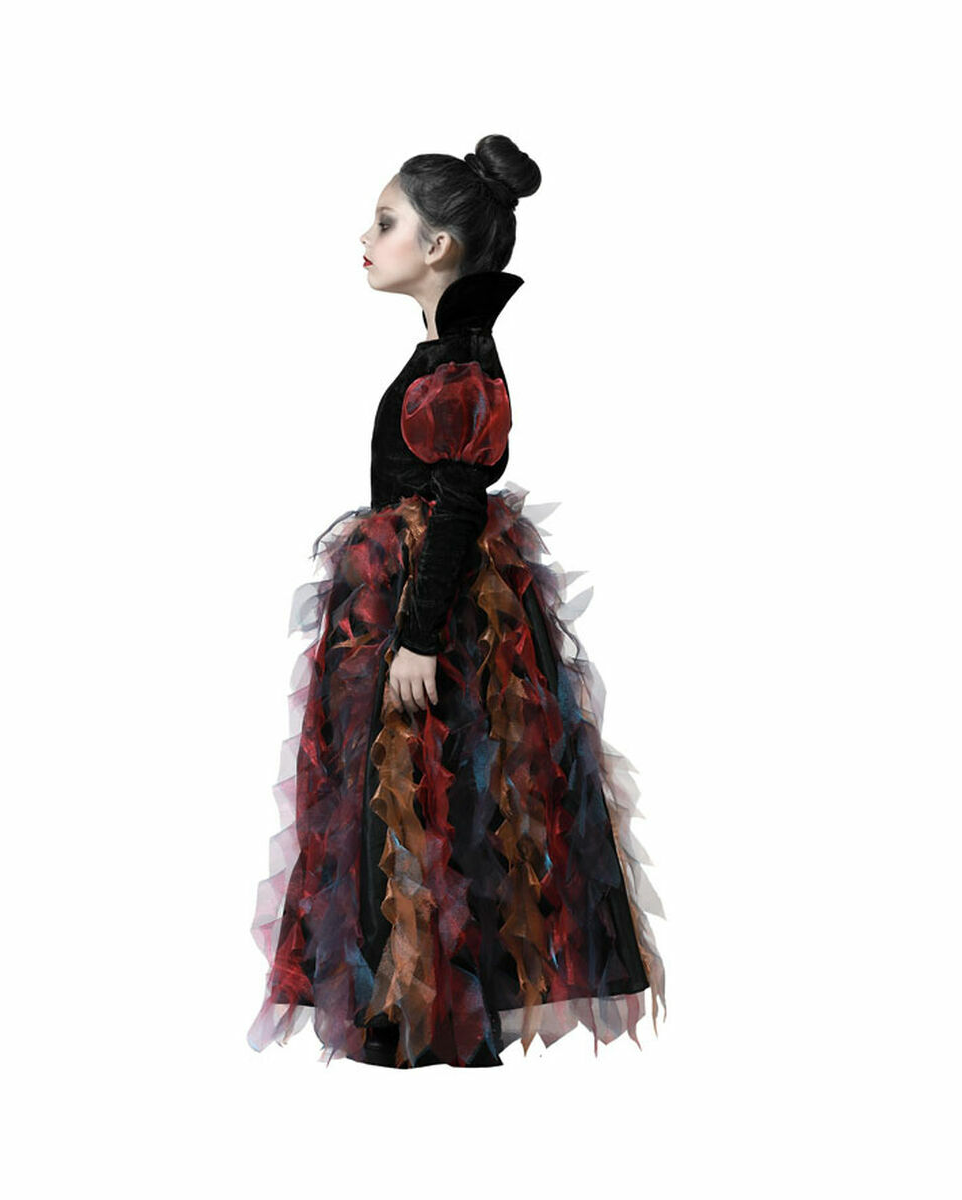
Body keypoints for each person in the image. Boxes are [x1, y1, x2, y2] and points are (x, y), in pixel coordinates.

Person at [248, 134, 666, 1068]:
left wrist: (416, 636)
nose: (367, 239)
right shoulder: (447, 353)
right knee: (416, 798)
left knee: (433, 792)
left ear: (437, 246)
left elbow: (457, 506)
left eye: (385, 223)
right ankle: (406, 1004)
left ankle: (424, 1010)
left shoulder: (462, 365)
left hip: (430, 612)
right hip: (408, 600)